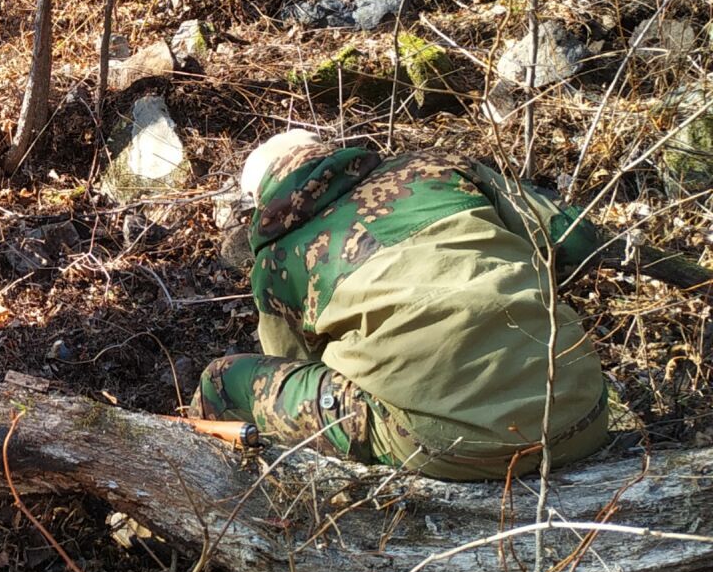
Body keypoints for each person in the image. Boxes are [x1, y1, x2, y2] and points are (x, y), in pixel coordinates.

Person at [192, 130, 609, 481]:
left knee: (222, 381)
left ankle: (220, 498)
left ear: (262, 197)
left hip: (454, 450)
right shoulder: (439, 168)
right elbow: (576, 239)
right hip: (584, 408)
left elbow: (293, 364)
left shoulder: (276, 262)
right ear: (331, 153)